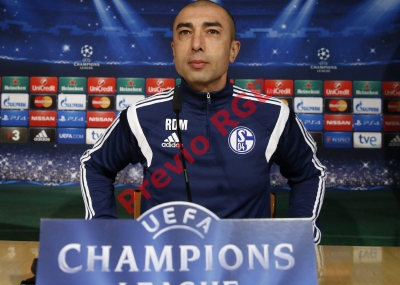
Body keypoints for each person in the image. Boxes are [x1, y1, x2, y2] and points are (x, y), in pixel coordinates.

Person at [80, 0, 326, 244]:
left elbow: (309, 174)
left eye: (212, 32)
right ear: (174, 49)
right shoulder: (141, 115)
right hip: (163, 270)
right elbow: (94, 166)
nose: (197, 44)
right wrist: (104, 235)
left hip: (247, 271)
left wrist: (299, 240)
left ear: (233, 50)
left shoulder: (272, 114)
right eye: (186, 33)